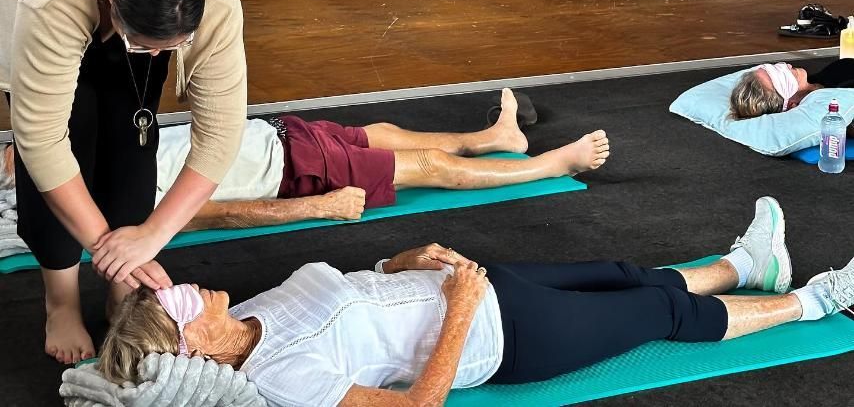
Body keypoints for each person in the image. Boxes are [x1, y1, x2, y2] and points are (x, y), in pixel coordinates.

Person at [98, 196, 854, 406]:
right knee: (660, 313)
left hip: (472, 282)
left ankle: (744, 262)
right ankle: (819, 302)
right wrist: (460, 306)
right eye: (176, 305)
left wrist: (405, 259)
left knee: (628, 272)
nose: (183, 288)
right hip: (506, 338)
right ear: (192, 350)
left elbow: (359, 288)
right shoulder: (279, 378)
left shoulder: (255, 310)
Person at [0, 0, 248, 365]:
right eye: (148, 45)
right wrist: (103, 245)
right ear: (111, 1)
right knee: (72, 125)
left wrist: (151, 236)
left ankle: (121, 295)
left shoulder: (211, 0)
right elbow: (40, 140)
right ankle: (61, 301)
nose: (160, 56)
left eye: (172, 47)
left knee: (132, 129)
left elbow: (221, 133)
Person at [1, 90, 610, 230]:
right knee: (427, 165)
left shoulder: (68, 148)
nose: (8, 155)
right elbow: (212, 214)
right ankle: (555, 165)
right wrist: (315, 206)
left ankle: (493, 138)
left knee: (381, 130)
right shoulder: (101, 202)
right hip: (289, 172)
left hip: (274, 133)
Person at [730, 60, 854, 119]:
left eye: (774, 67)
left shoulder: (837, 69)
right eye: (781, 77)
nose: (787, 66)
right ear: (790, 105)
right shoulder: (844, 104)